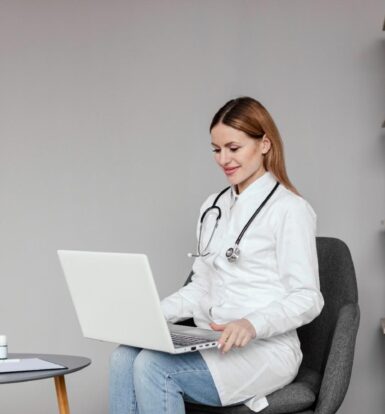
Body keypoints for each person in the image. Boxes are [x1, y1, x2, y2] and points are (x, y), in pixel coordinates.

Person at [109, 96, 324, 414]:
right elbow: (201, 287)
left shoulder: (290, 209)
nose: (224, 159)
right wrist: (151, 315)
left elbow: (308, 297)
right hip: (211, 341)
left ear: (264, 144)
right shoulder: (213, 206)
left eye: (233, 148)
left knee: (155, 366)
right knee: (124, 355)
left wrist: (252, 324)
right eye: (216, 149)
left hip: (263, 350)